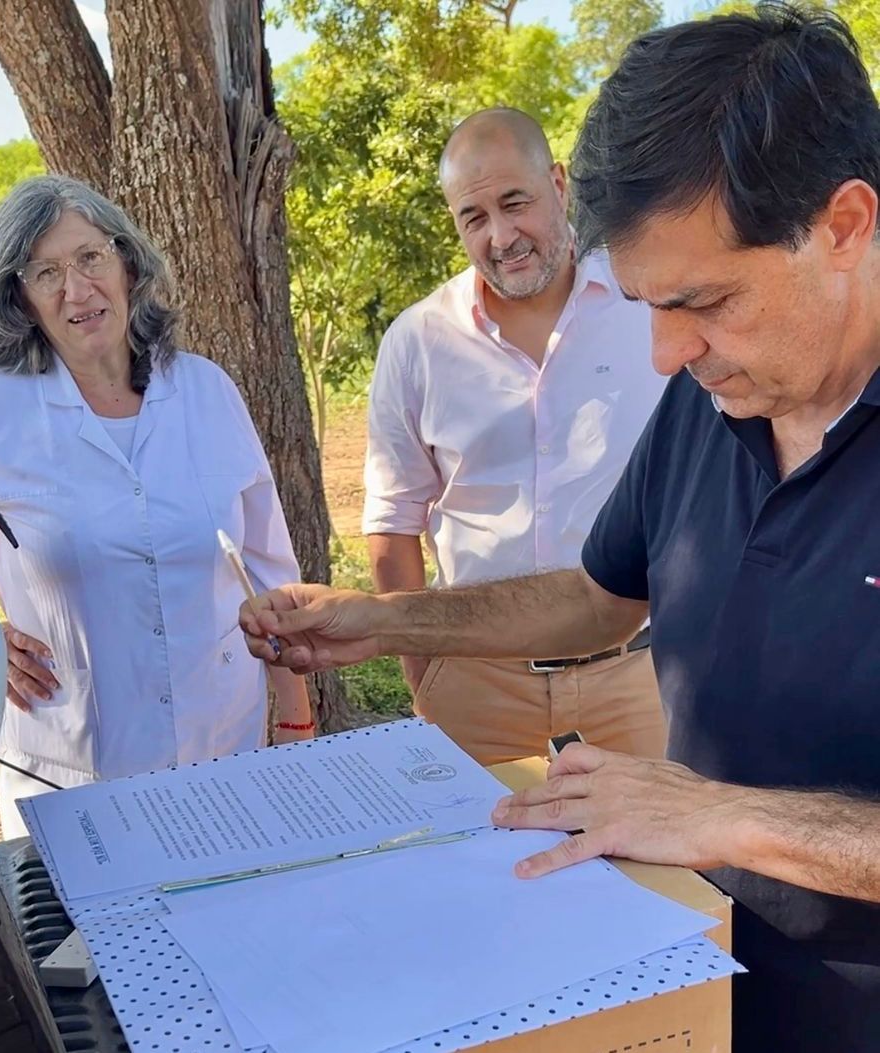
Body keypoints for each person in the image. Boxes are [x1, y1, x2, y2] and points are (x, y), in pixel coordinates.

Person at [241, 5, 880, 1050]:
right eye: (646, 305)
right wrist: (387, 619)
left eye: (704, 300)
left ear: (842, 225)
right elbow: (596, 595)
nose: (665, 353)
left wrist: (727, 815)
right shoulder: (712, 394)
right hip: (705, 982)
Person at [0, 175, 313, 838]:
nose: (77, 289)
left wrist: (294, 713)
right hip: (74, 778)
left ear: (127, 263)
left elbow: (269, 575)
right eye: (46, 273)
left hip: (223, 750)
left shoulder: (206, 391)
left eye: (91, 257)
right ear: (20, 298)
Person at [363, 108, 667, 765]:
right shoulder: (417, 343)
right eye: (473, 217)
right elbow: (393, 522)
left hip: (639, 680)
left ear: (557, 183)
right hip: (477, 690)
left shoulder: (647, 303)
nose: (501, 236)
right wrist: (427, 677)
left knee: (661, 839)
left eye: (514, 202)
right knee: (477, 839)